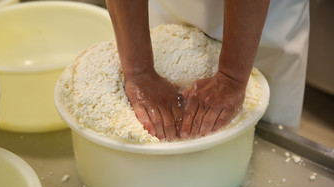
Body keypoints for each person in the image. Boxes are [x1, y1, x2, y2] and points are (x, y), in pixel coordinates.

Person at [105, 0, 309, 140]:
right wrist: (139, 70)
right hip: (177, 7)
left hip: (263, 20)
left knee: (265, 142)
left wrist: (233, 77)